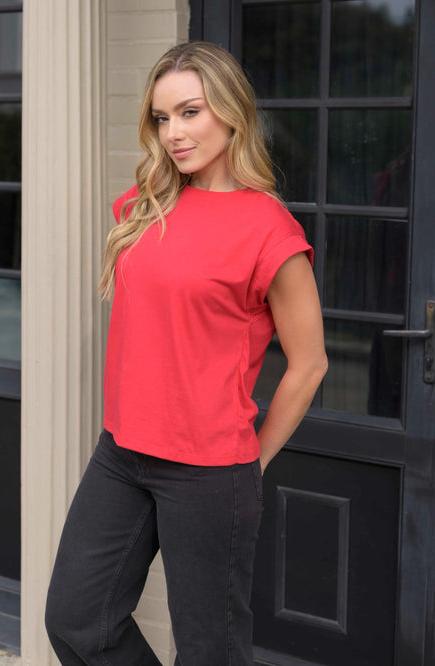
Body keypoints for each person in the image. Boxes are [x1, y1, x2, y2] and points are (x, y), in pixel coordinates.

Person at [45, 41, 328, 666]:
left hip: (208, 469)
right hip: (122, 453)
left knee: (209, 653)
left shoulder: (269, 229)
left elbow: (309, 364)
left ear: (232, 112)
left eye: (190, 112)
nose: (173, 133)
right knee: (75, 621)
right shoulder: (144, 205)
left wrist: (250, 462)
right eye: (161, 117)